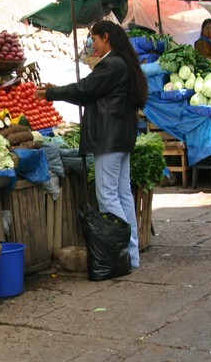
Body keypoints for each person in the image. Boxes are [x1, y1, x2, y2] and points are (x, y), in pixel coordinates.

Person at [35, 20, 147, 268]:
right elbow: (91, 91)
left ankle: (122, 254)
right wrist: (59, 90)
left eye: (94, 40)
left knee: (108, 195)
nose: (93, 45)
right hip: (121, 137)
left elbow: (85, 89)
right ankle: (131, 254)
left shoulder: (112, 64)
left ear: (105, 37)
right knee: (122, 194)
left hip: (109, 138)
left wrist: (53, 93)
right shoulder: (124, 63)